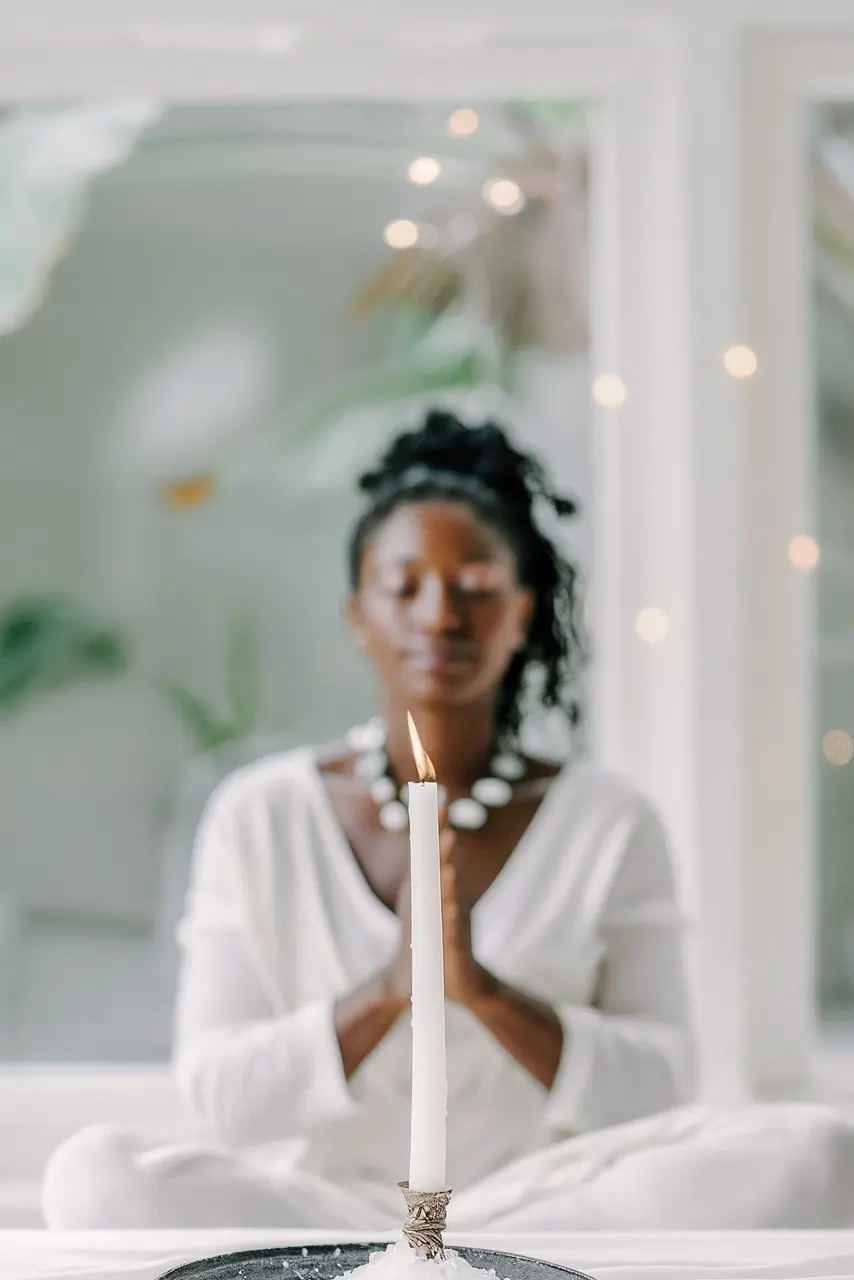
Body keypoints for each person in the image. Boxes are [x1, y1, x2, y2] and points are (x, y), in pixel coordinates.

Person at [42, 411, 854, 1231]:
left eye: (474, 587)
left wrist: (486, 994)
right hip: (330, 1213)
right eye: (405, 587)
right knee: (93, 1176)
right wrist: (391, 990)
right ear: (358, 614)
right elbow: (223, 1098)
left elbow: (662, 1081)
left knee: (815, 1153)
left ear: (522, 613)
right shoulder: (262, 814)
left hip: (545, 1204)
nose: (440, 616)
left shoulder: (607, 821)